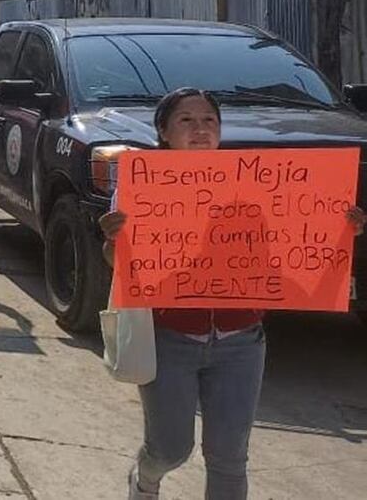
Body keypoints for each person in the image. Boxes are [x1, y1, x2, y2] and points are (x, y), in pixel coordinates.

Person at [100, 88, 366, 500]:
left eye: (209, 120)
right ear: (163, 132)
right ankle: (146, 478)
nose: (200, 129)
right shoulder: (144, 187)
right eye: (186, 121)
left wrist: (340, 229)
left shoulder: (254, 184)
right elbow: (121, 265)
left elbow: (288, 252)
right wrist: (113, 238)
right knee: (170, 448)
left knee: (229, 457)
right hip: (170, 340)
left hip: (241, 343)